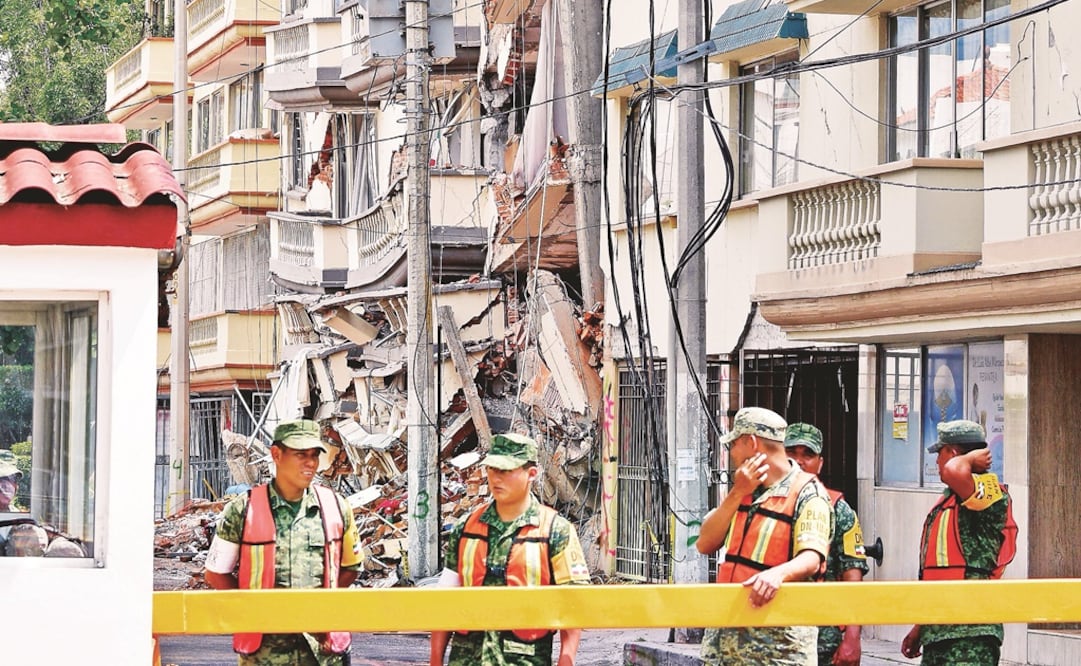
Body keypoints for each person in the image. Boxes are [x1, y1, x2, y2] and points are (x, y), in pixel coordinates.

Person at [205, 419, 364, 666]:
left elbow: (351, 568)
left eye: (314, 455)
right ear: (276, 454)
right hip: (265, 655)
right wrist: (253, 610)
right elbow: (216, 574)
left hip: (324, 654)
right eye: (301, 454)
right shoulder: (242, 510)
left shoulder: (336, 507)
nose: (310, 463)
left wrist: (320, 609)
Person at [429, 432, 591, 666]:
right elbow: (444, 604)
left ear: (531, 474)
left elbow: (574, 605)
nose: (496, 478)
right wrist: (435, 660)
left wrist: (566, 660)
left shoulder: (555, 531)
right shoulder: (466, 528)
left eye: (506, 470)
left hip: (523, 659)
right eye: (492, 469)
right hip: (467, 660)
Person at [695, 407, 834, 666]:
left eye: (734, 445)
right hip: (725, 646)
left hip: (778, 651)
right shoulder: (743, 489)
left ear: (751, 442)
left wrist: (777, 575)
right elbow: (705, 543)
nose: (732, 454)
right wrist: (736, 493)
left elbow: (812, 557)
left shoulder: (808, 493)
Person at [901, 420, 1017, 666]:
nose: (936, 462)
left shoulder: (988, 491)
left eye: (940, 453)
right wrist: (920, 628)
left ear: (952, 453)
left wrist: (969, 460)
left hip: (971, 632)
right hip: (939, 631)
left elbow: (953, 471)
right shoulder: (950, 500)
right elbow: (939, 576)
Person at [784, 423, 869, 666]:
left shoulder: (839, 510)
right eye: (791, 453)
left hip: (822, 642)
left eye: (807, 455)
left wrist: (852, 638)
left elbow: (853, 580)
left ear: (819, 463)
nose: (799, 462)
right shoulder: (767, 504)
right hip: (773, 639)